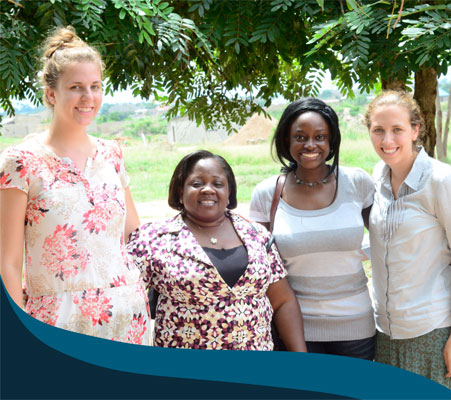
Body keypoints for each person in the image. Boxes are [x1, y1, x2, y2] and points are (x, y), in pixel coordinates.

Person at [0, 27, 149, 344]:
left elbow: (134, 235)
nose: (88, 97)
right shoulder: (20, 161)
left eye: (95, 87)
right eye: (76, 87)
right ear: (51, 93)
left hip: (126, 317)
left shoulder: (112, 154)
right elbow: (8, 262)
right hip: (56, 321)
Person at [127, 150, 306, 351]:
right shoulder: (152, 239)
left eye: (218, 184)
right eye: (196, 184)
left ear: (229, 192)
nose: (207, 190)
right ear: (180, 191)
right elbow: (126, 303)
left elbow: (283, 300)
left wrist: (301, 360)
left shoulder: (256, 235)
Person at [365, 90, 451, 399]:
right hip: (388, 335)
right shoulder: (378, 176)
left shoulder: (442, 181)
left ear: (415, 130)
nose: (387, 139)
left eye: (397, 129)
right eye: (378, 130)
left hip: (437, 332)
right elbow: (386, 241)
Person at [249, 98, 376, 359]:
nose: (310, 145)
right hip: (295, 328)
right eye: (300, 137)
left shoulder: (357, 182)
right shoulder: (267, 193)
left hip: (356, 326)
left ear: (331, 143)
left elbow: (389, 237)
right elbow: (258, 266)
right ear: (287, 141)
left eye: (320, 137)